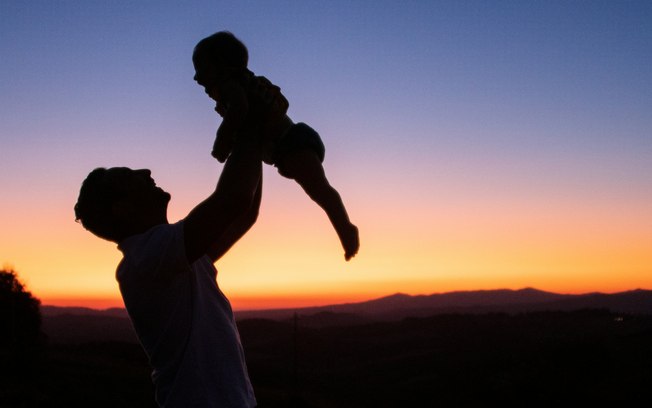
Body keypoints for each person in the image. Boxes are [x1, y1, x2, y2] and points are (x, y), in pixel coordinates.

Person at [73, 85, 285, 406]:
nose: (145, 171)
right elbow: (233, 199)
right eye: (129, 176)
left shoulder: (172, 255)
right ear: (123, 208)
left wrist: (252, 137)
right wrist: (251, 119)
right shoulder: (146, 258)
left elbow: (242, 212)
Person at [192, 31, 360, 261]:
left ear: (222, 66)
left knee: (319, 190)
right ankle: (344, 226)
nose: (196, 77)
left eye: (201, 68)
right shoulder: (238, 84)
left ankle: (345, 227)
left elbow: (239, 110)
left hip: (292, 142)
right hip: (280, 147)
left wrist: (222, 142)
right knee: (312, 192)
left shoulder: (230, 86)